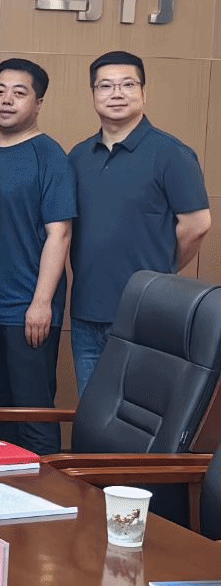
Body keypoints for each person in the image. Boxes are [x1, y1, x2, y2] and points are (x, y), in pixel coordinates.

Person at [69, 50, 210, 395]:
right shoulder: (78, 156)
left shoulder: (171, 153)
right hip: (86, 312)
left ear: (144, 93)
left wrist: (160, 273)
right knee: (92, 413)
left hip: (146, 312)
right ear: (93, 94)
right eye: (106, 86)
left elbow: (197, 224)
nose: (116, 93)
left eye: (127, 84)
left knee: (140, 414)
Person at [0, 59, 75, 454]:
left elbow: (60, 234)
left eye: (19, 93)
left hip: (28, 311)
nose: (7, 100)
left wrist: (42, 302)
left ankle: (49, 490)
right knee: (0, 414)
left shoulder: (49, 156)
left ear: (38, 102)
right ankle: (8, 489)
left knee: (34, 415)